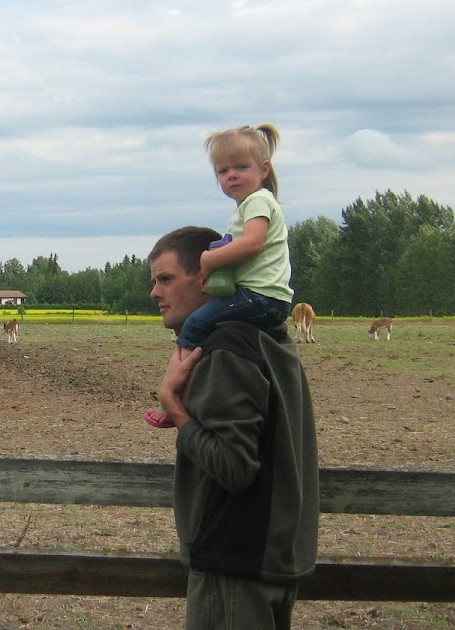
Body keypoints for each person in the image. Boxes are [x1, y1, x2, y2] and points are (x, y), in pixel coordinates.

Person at [147, 226, 319, 629]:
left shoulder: (227, 350)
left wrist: (174, 408)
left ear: (208, 278)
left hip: (235, 563)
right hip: (274, 558)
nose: (155, 293)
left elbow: (233, 467)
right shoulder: (270, 339)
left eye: (166, 279)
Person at [144, 123, 294, 427]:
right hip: (265, 298)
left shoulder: (229, 348)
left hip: (259, 296)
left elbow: (251, 244)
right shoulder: (245, 209)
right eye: (223, 171)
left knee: (195, 327)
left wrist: (208, 260)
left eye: (166, 279)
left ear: (264, 170)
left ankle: (177, 391)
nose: (232, 175)